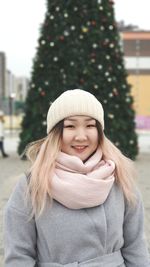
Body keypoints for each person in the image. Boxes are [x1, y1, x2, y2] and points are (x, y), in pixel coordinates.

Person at [4, 89, 150, 267]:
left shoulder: (119, 178)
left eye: (90, 126)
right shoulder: (31, 185)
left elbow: (136, 249)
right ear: (56, 133)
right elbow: (19, 257)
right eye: (70, 126)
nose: (81, 136)